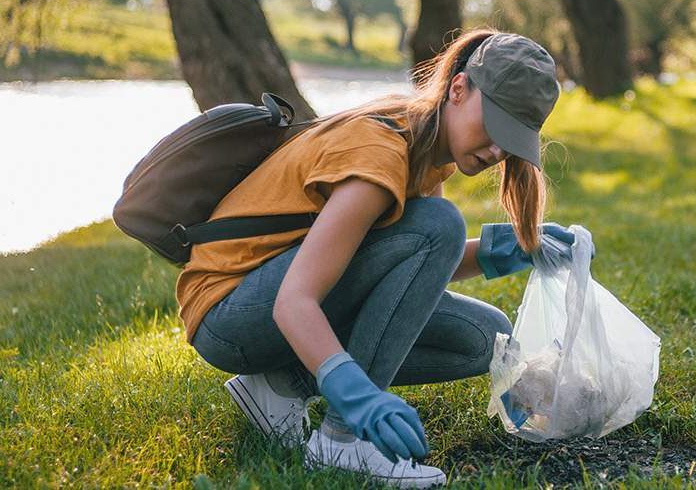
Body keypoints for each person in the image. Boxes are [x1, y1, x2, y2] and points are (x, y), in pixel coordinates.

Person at [174, 28, 590, 488]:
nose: (497, 150)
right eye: (495, 125)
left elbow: (412, 268)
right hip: (230, 314)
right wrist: (355, 398)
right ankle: (341, 442)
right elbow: (294, 301)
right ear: (458, 89)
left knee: (483, 338)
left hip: (265, 300)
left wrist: (504, 252)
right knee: (440, 224)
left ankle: (280, 386)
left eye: (512, 140)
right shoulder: (381, 154)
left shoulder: (427, 145)